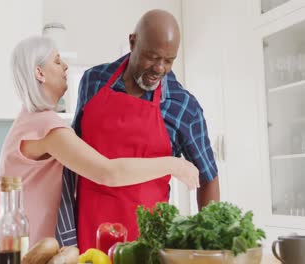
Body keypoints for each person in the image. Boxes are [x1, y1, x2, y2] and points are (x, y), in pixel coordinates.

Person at [0, 35, 200, 247]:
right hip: (1, 243)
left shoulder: (32, 119)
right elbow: (107, 172)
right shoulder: (45, 126)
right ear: (39, 73)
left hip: (8, 238)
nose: (65, 67)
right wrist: (175, 165)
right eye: (57, 61)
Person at [56, 9, 220, 250]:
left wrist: (210, 242)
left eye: (169, 60)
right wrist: (66, 235)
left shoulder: (183, 106)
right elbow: (74, 157)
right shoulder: (93, 81)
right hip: (88, 236)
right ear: (132, 42)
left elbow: (208, 177)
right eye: (152, 57)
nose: (160, 68)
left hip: (146, 244)